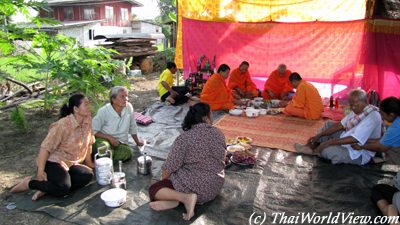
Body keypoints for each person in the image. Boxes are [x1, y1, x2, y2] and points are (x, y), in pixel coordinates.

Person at [148, 102, 226, 221]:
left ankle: (184, 198)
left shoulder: (185, 138)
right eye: (211, 114)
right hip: (215, 187)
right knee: (177, 176)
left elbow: (167, 169)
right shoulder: (219, 133)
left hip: (196, 188)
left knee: (155, 189)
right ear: (205, 118)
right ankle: (175, 201)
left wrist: (164, 182)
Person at [11, 93, 95, 200]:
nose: (89, 107)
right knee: (64, 187)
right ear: (76, 109)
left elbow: (89, 143)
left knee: (88, 176)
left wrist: (89, 163)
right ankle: (30, 183)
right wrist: (40, 172)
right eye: (86, 104)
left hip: (71, 162)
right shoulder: (62, 125)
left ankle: (49, 188)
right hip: (54, 161)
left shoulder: (87, 120)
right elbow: (45, 148)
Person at [294, 89, 382, 165]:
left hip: (359, 151)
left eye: (356, 105)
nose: (353, 108)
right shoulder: (358, 110)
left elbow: (354, 139)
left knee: (327, 151)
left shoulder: (372, 116)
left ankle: (319, 149)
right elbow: (340, 125)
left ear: (366, 101)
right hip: (348, 137)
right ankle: (311, 147)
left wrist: (330, 142)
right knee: (329, 125)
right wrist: (319, 135)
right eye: (351, 105)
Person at [351, 97, 400, 219]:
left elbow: (381, 147)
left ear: (392, 114)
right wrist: (364, 140)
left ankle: (392, 219)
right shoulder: (395, 124)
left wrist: (362, 146)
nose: (382, 117)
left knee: (378, 191)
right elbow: (383, 140)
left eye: (383, 114)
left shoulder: (396, 126)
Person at [92, 86, 143, 162]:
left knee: (127, 152)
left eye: (126, 96)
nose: (126, 99)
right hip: (104, 140)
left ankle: (105, 158)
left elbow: (133, 126)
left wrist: (138, 142)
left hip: (120, 143)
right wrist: (110, 138)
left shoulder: (129, 107)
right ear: (113, 99)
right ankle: (105, 156)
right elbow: (93, 130)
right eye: (122, 96)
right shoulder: (104, 111)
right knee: (103, 147)